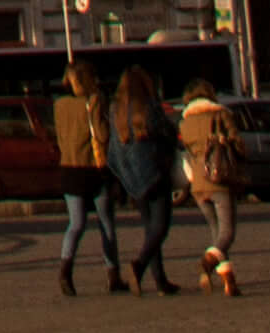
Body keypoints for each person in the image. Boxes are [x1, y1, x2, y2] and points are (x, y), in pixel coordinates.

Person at [106, 70, 182, 296]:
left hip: (133, 178)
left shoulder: (115, 111)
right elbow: (167, 134)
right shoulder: (149, 107)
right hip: (155, 172)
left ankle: (160, 280)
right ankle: (139, 264)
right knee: (160, 226)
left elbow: (114, 148)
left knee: (150, 228)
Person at [54, 60, 124, 296]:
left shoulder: (59, 105)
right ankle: (113, 274)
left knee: (76, 224)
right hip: (93, 169)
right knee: (106, 223)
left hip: (69, 169)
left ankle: (65, 270)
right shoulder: (93, 101)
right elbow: (102, 134)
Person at [177, 83, 245, 298]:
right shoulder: (220, 116)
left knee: (216, 232)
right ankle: (207, 263)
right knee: (227, 233)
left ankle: (229, 282)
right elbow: (238, 144)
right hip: (219, 178)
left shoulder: (185, 122)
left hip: (197, 184)